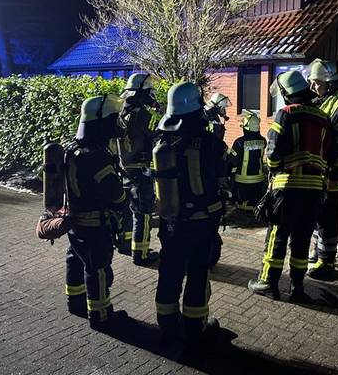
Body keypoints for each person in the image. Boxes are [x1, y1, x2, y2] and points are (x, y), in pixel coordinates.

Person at [153, 82, 228, 345]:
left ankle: (166, 322)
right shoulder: (209, 143)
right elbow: (221, 175)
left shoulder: (162, 140)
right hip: (201, 221)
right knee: (198, 271)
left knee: (169, 269)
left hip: (170, 220)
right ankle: (196, 327)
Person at [248, 71, 333, 301]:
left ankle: (268, 283)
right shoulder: (323, 117)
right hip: (315, 191)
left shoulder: (286, 114)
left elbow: (273, 154)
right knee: (302, 240)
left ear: (286, 93)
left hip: (287, 188)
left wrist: (274, 168)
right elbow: (329, 153)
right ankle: (297, 289)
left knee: (277, 236)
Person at [64, 94, 129, 330]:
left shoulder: (72, 149)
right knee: (98, 268)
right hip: (95, 224)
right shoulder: (98, 156)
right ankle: (101, 316)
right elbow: (114, 194)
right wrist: (124, 202)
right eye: (113, 118)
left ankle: (75, 301)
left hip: (75, 222)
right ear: (101, 122)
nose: (116, 123)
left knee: (75, 257)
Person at [305, 59, 338, 280]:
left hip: (331, 175)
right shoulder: (322, 101)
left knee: (327, 218)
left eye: (316, 82)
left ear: (329, 82)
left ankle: (327, 263)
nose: (312, 87)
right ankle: (318, 253)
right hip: (319, 173)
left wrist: (336, 173)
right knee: (318, 216)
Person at [116, 73, 163, 266]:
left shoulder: (122, 112)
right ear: (142, 93)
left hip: (124, 169)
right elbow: (158, 133)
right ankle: (141, 254)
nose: (152, 96)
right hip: (140, 170)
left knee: (128, 209)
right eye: (149, 93)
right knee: (143, 213)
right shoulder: (143, 115)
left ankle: (125, 243)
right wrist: (160, 111)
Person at [228, 110, 267, 210]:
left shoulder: (239, 142)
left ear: (246, 127)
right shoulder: (263, 141)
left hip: (242, 180)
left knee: (240, 202)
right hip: (259, 179)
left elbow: (232, 161)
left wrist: (229, 175)